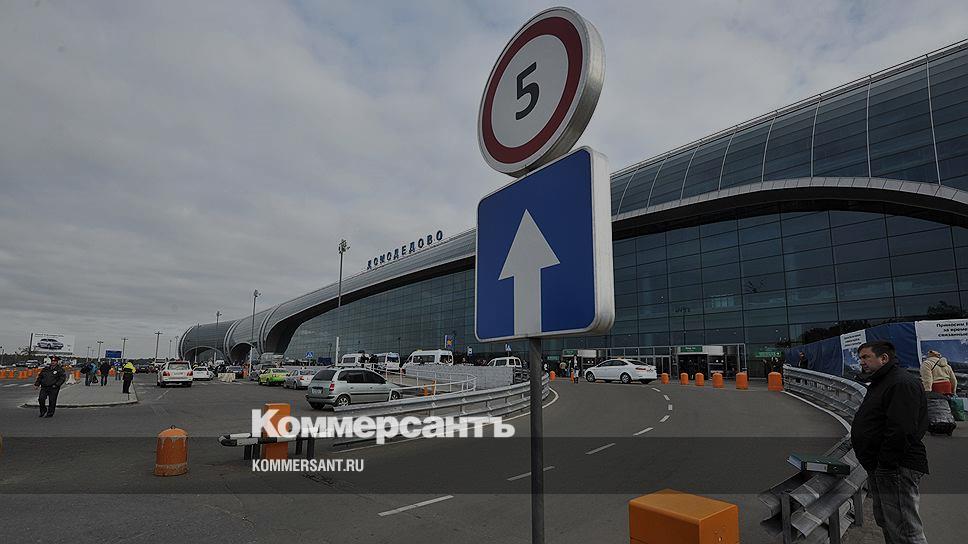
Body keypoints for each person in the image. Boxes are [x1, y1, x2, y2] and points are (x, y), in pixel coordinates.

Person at [850, 340, 929, 544]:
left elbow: (902, 429)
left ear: (883, 358)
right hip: (884, 466)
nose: (861, 362)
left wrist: (885, 463)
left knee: (905, 530)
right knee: (889, 523)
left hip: (896, 467)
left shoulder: (900, 383)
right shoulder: (883, 381)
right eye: (860, 358)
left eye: (866, 357)